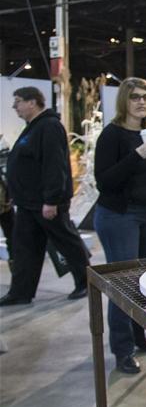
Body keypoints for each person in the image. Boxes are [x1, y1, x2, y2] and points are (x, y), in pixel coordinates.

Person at [93, 78, 146, 374]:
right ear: (124, 100)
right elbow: (105, 181)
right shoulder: (112, 135)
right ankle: (122, 350)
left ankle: (138, 336)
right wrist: (136, 156)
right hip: (120, 215)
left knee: (143, 281)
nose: (141, 102)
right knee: (122, 282)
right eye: (135, 97)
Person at [0, 87, 89, 306]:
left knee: (67, 243)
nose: (15, 107)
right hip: (29, 203)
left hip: (47, 203)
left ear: (32, 102)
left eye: (18, 101)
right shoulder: (33, 127)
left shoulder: (49, 126)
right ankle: (21, 292)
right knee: (25, 248)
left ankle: (86, 282)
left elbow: (54, 165)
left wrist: (52, 200)